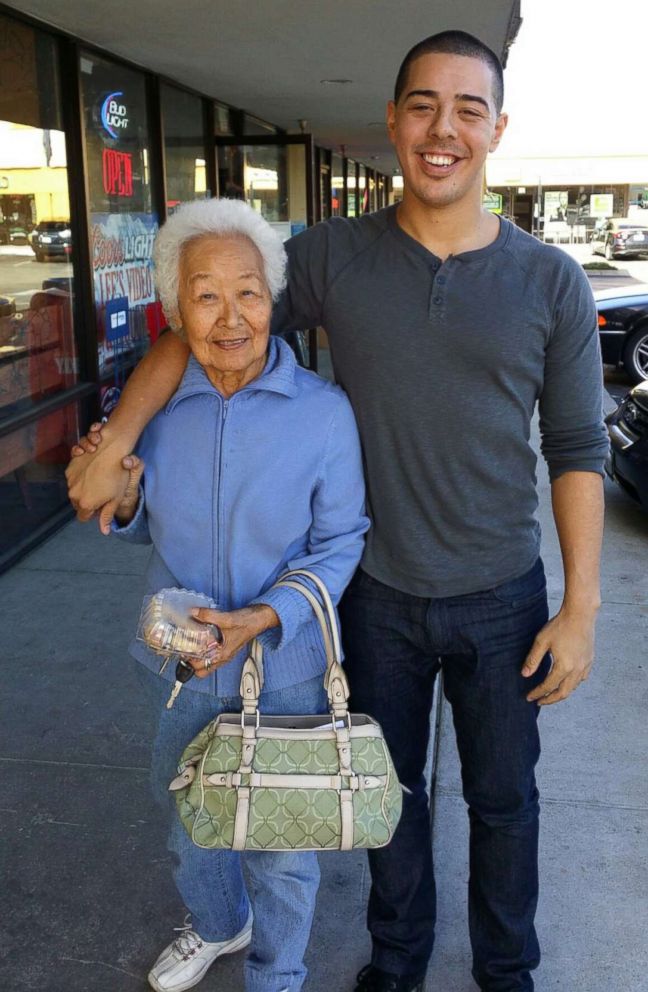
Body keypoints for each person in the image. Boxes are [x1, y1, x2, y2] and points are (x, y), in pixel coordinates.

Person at [67, 30, 607, 992]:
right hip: (373, 596)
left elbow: (576, 449)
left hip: (502, 597)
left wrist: (580, 609)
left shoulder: (551, 282)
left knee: (505, 802)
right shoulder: (331, 259)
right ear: (394, 122)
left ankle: (506, 969)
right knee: (382, 796)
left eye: (468, 109)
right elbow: (195, 329)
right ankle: (396, 966)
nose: (444, 129)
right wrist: (115, 448)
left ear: (496, 128)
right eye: (423, 106)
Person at [105, 197, 369, 992]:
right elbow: (139, 517)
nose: (230, 316)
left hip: (284, 667)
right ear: (175, 307)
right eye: (206, 293)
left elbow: (341, 540)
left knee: (282, 845)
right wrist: (122, 503)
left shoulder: (321, 413)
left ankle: (278, 973)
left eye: (248, 291)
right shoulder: (157, 409)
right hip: (183, 660)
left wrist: (269, 615)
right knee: (189, 819)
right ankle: (221, 926)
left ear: (272, 299)